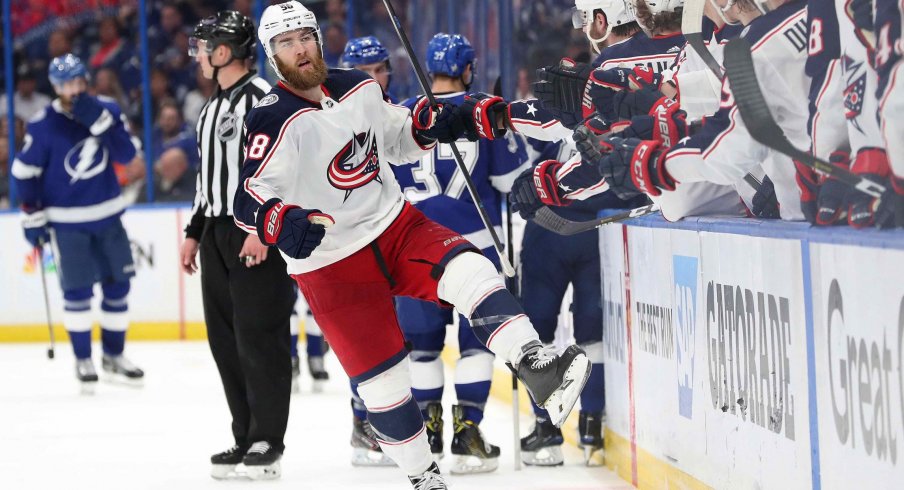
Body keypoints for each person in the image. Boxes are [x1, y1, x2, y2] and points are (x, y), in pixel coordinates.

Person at [233, 2, 592, 488]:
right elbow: (248, 195)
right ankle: (425, 477)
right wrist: (280, 221)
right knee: (384, 387)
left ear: (318, 38)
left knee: (472, 267)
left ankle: (536, 366)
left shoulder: (356, 86)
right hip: (331, 263)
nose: (299, 48)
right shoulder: (271, 118)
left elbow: (400, 138)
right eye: (285, 42)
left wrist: (429, 125)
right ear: (272, 55)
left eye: (304, 36)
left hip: (393, 224)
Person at [391, 32, 529, 474]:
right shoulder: (483, 110)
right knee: (477, 348)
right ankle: (467, 435)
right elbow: (513, 183)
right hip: (477, 251)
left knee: (422, 351)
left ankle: (428, 433)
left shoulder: (403, 115)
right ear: (468, 69)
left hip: (415, 255)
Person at [179, 11, 295, 481]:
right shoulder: (210, 107)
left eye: (205, 46)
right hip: (216, 234)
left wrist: (263, 229)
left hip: (255, 233)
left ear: (223, 51)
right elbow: (208, 181)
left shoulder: (262, 100)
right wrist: (193, 231)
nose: (199, 54)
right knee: (225, 339)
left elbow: (283, 169)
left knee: (259, 336)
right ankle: (244, 434)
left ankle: (268, 438)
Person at [10, 53, 143, 393]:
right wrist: (31, 213)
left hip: (109, 215)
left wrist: (101, 123)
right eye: (66, 84)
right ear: (55, 87)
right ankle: (83, 358)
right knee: (78, 292)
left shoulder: (108, 109)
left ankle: (114, 355)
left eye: (78, 81)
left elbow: (128, 156)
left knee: (118, 287)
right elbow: (24, 173)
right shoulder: (42, 124)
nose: (74, 89)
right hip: (67, 224)